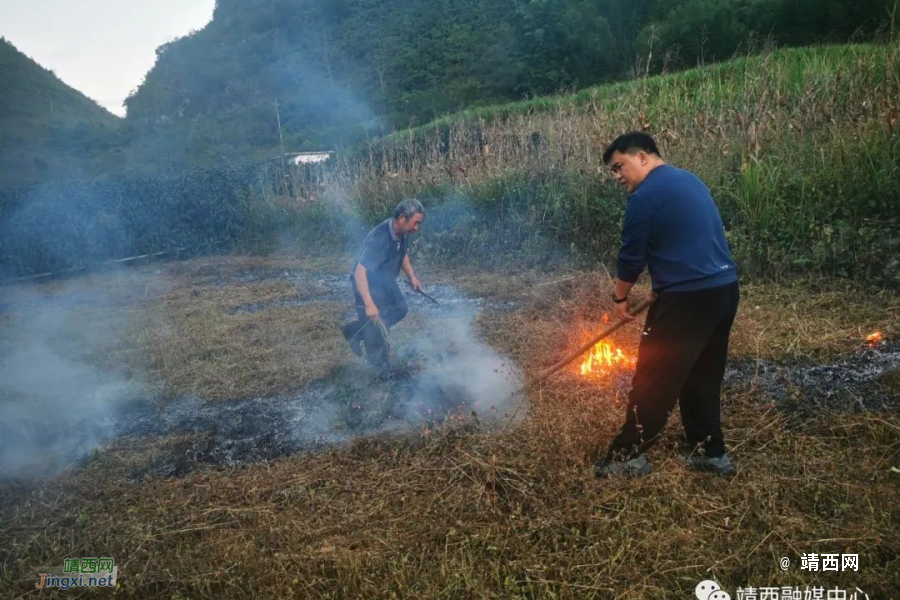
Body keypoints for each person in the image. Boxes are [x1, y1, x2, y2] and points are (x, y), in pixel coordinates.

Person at [594, 132, 740, 477]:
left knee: (653, 378)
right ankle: (710, 453)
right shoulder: (689, 180)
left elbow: (631, 256)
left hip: (687, 301)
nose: (617, 176)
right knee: (702, 375)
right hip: (723, 290)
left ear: (643, 157)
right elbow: (690, 239)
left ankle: (627, 457)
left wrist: (620, 298)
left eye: (619, 167)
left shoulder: (645, 196)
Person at [341, 199, 425, 378]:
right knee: (374, 327)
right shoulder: (380, 238)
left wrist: (412, 277)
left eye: (419, 223)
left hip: (385, 282)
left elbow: (402, 253)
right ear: (402, 218)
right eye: (415, 222)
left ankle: (357, 331)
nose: (417, 227)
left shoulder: (402, 233)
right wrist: (369, 303)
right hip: (366, 284)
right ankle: (381, 372)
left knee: (401, 308)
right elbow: (359, 273)